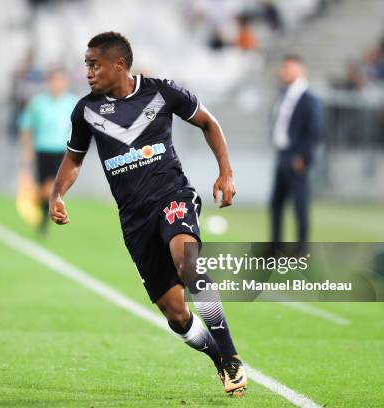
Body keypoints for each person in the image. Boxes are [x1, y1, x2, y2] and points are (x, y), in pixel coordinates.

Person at [49, 32, 247, 396]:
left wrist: (226, 172)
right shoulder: (86, 111)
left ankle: (232, 355)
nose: (88, 72)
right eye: (86, 65)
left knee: (186, 261)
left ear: (119, 64)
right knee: (176, 314)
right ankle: (218, 358)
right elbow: (74, 159)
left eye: (95, 65)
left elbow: (209, 122)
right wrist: (57, 194)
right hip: (133, 219)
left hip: (172, 195)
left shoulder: (162, 92)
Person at [270, 55, 323, 254]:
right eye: (283, 67)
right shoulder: (284, 96)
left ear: (302, 70)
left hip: (296, 157)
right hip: (283, 155)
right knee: (276, 203)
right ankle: (275, 247)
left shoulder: (309, 98)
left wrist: (303, 156)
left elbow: (315, 130)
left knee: (300, 204)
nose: (284, 71)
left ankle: (301, 249)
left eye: (289, 67)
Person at [18, 69, 77, 232]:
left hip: (61, 151)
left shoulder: (72, 103)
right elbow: (27, 126)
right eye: (54, 80)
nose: (57, 84)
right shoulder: (38, 103)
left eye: (61, 81)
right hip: (42, 149)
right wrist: (25, 150)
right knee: (43, 187)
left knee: (51, 187)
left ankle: (43, 215)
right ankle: (43, 217)